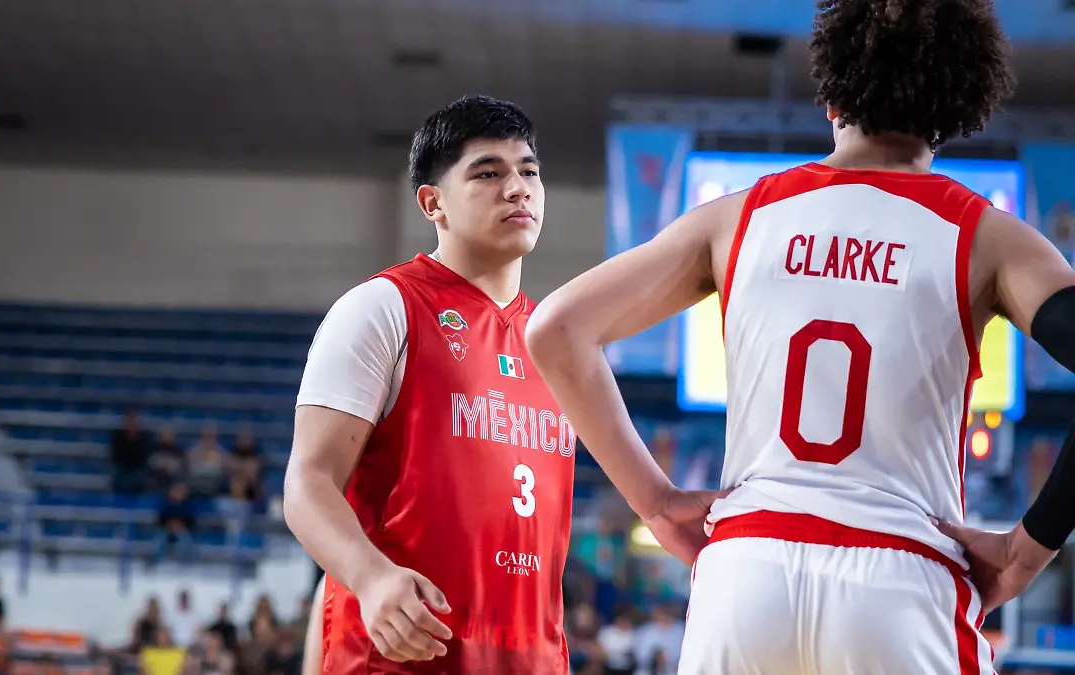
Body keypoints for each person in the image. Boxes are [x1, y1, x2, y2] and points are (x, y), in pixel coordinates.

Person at [526, 0, 1075, 672]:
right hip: (900, 574)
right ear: (956, 105)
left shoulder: (735, 219)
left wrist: (660, 503)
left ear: (830, 97)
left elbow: (556, 328)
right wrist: (1029, 547)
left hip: (745, 568)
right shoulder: (988, 236)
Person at [284, 95, 727, 674]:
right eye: (488, 173)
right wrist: (369, 576)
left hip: (530, 658)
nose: (517, 188)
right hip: (404, 654)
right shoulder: (383, 307)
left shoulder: (557, 338)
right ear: (432, 202)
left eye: (529, 172)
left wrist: (672, 508)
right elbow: (307, 483)